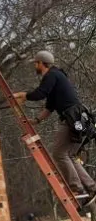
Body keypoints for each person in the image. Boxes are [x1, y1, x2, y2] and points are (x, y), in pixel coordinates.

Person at [15, 50, 96, 210]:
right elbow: (50, 107)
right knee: (70, 155)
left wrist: (23, 95)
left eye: (36, 63)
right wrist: (37, 120)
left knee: (59, 154)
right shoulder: (57, 78)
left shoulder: (52, 75)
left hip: (73, 119)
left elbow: (40, 93)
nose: (35, 66)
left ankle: (76, 188)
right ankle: (92, 188)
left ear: (41, 63)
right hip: (79, 120)